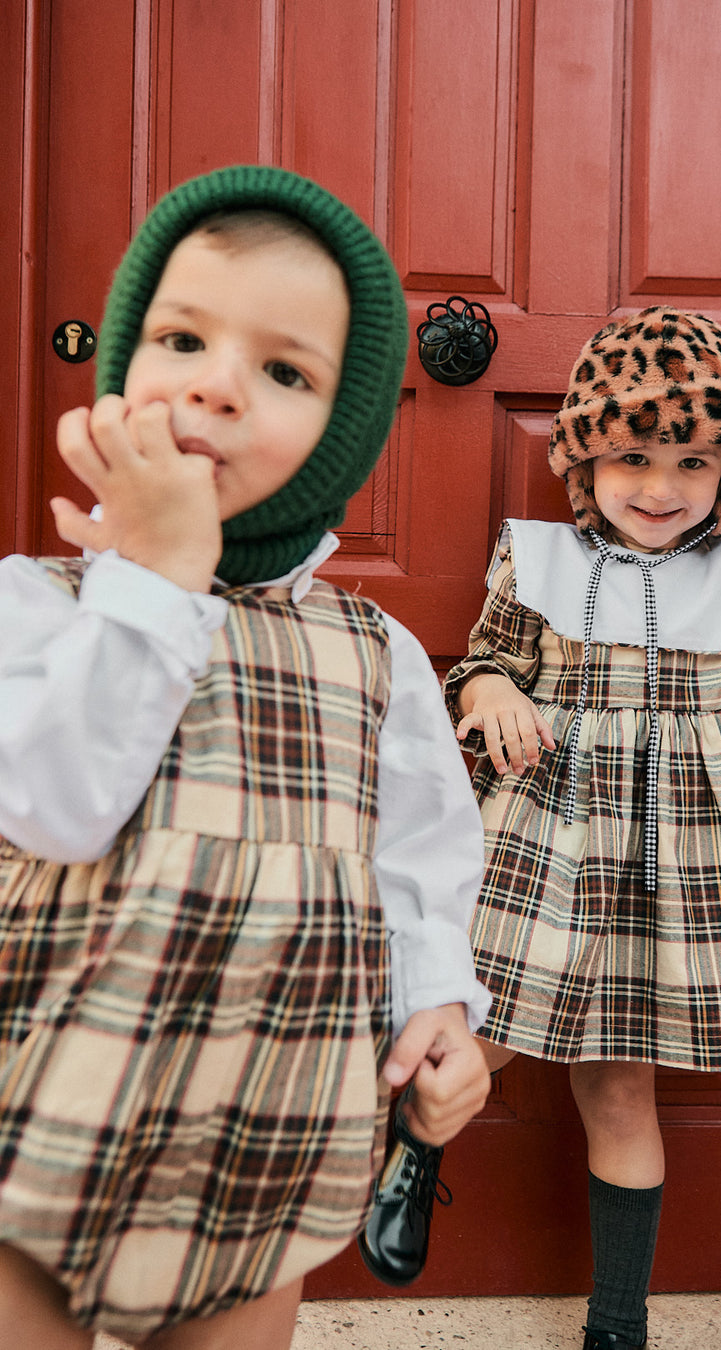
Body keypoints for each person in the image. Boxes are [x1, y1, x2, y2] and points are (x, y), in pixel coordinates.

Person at [0, 165, 492, 1350]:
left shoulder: (376, 652)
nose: (215, 387)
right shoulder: (42, 604)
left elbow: (422, 858)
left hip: (270, 1121)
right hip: (39, 1108)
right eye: (179, 339)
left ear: (348, 427)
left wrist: (438, 1004)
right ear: (123, 365)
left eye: (284, 371)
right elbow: (58, 808)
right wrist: (157, 577)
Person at [361, 308, 721, 1346]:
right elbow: (483, 662)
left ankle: (616, 1321)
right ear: (584, 462)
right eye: (634, 456)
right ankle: (418, 1147)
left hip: (679, 864)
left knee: (620, 1084)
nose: (661, 486)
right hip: (550, 837)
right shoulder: (541, 562)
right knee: (479, 1028)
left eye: (694, 460)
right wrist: (493, 697)